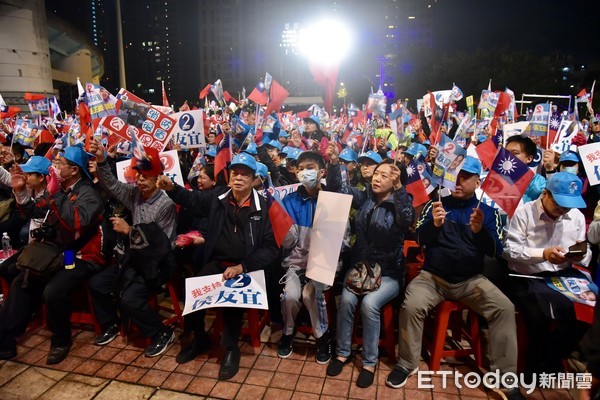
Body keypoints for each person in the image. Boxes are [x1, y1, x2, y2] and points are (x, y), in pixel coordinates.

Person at [385, 156, 524, 400]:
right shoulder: (435, 205)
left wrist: (480, 232)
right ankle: (407, 363)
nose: (459, 181)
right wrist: (434, 226)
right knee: (411, 304)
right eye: (455, 175)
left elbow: (495, 251)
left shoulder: (487, 212)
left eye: (466, 176)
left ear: (477, 181)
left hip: (471, 280)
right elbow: (418, 240)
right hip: (432, 278)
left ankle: (505, 378)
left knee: (504, 308)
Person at [157, 153, 278, 380]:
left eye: (245, 174)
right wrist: (171, 188)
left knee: (230, 302)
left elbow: (271, 249)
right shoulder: (217, 197)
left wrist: (243, 266)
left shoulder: (265, 207)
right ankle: (199, 337)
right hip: (217, 262)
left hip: (246, 268)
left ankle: (231, 349)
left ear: (254, 180)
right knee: (193, 291)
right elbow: (192, 199)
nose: (239, 178)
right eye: (235, 173)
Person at [0, 145, 104, 365]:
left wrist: (55, 194)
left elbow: (76, 223)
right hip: (55, 251)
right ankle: (6, 338)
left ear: (74, 170)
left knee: (54, 289)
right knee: (24, 279)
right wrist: (20, 190)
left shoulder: (89, 193)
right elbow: (35, 211)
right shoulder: (60, 189)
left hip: (78, 255)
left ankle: (60, 340)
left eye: (60, 164)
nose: (54, 168)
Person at [326, 145, 414, 388]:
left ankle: (368, 362)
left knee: (370, 304)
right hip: (361, 268)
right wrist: (334, 164)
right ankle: (342, 353)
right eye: (377, 173)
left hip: (388, 273)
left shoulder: (401, 202)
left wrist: (398, 189)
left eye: (385, 175)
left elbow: (407, 219)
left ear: (396, 180)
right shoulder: (365, 196)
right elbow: (338, 190)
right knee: (345, 300)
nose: (377, 178)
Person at [88, 140, 178, 358]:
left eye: (145, 176)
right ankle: (110, 324)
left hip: (156, 264)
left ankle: (161, 332)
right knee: (97, 283)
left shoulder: (165, 204)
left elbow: (160, 245)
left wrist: (130, 231)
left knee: (130, 299)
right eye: (138, 175)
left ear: (159, 179)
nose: (139, 180)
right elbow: (113, 185)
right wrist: (102, 160)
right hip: (134, 259)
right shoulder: (136, 194)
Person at [503, 172, 592, 374]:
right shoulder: (524, 213)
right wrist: (542, 254)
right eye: (559, 203)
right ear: (545, 194)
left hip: (563, 274)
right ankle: (535, 365)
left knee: (590, 307)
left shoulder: (575, 216)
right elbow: (510, 251)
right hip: (527, 276)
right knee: (538, 315)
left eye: (568, 205)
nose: (563, 210)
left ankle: (554, 355)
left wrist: (580, 256)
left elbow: (583, 249)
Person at [278, 151, 333, 364]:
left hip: (323, 263)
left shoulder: (333, 200)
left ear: (321, 172)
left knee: (311, 294)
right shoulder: (289, 200)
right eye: (299, 169)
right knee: (290, 296)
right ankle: (288, 332)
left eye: (309, 168)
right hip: (295, 263)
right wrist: (282, 228)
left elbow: (343, 240)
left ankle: (322, 337)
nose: (303, 172)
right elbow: (287, 243)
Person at [505, 135, 545, 203]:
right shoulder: (494, 178)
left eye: (515, 153)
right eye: (506, 153)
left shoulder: (539, 183)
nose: (508, 157)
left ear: (529, 159)